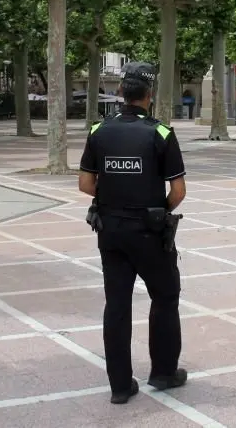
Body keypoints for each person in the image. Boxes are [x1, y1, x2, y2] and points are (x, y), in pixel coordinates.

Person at [77, 61, 188, 405]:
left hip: (110, 230)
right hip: (149, 232)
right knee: (165, 296)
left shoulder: (99, 131)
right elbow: (178, 191)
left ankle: (120, 386)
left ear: (121, 92)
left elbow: (85, 184)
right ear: (150, 94)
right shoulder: (161, 134)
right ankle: (163, 372)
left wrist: (115, 197)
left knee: (117, 305)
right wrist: (159, 209)